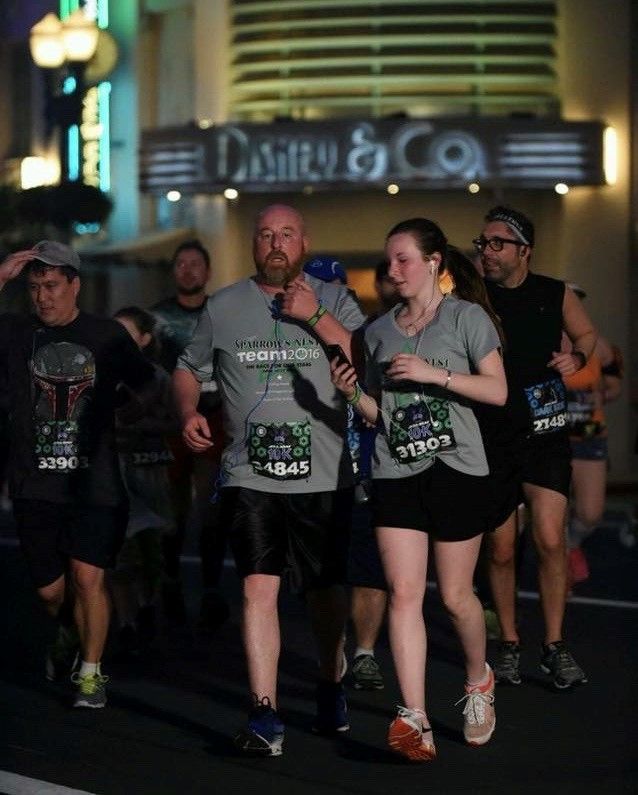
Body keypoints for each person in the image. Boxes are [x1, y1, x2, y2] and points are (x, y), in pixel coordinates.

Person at [173, 204, 366, 756]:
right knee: (259, 587)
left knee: (326, 595)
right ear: (254, 244)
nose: (275, 243)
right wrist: (189, 409)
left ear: (304, 242)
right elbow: (188, 366)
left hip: (325, 475)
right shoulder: (225, 305)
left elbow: (370, 360)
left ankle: (331, 682)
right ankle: (265, 713)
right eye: (265, 235)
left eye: (286, 234)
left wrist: (314, 317)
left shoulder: (334, 299)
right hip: (249, 472)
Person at [331, 218, 507, 761]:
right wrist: (354, 397)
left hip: (456, 469)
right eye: (390, 261)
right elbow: (385, 416)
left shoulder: (466, 317)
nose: (394, 270)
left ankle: (478, 681)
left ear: (434, 262)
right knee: (404, 594)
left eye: (404, 259)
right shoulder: (379, 331)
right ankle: (415, 717)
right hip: (395, 471)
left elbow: (498, 392)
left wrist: (437, 375)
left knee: (455, 598)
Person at [0, 242, 154, 708]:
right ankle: (66, 629)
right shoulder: (15, 334)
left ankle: (91, 673)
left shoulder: (105, 335)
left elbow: (148, 384)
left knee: (89, 579)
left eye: (51, 286)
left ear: (74, 285)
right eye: (33, 288)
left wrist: (128, 414)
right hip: (35, 483)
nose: (43, 297)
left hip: (95, 484)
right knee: (50, 591)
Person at [474, 205, 597, 689]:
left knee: (550, 539)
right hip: (493, 436)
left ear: (524, 250)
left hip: (546, 430)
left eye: (497, 243)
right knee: (502, 548)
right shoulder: (472, 298)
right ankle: (508, 642)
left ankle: (554, 645)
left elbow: (586, 332)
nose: (486, 251)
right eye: (482, 243)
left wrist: (577, 355)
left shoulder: (554, 292)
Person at [150, 240, 228, 632]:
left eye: (195, 264)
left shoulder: (223, 312)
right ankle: (170, 582)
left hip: (215, 419)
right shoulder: (158, 318)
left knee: (212, 511)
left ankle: (212, 588)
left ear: (208, 271)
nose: (188, 270)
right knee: (173, 513)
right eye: (181, 264)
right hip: (171, 424)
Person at [110, 307, 178, 656]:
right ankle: (126, 622)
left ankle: (149, 602)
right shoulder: (100, 373)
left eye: (126, 331)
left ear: (145, 338)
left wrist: (142, 425)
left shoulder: (158, 376)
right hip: (112, 469)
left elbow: (176, 421)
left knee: (151, 550)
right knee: (120, 551)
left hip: (149, 468)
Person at [562, 285, 623, 585]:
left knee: (590, 512)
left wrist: (603, 393)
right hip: (553, 437)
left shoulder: (598, 346)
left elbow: (614, 386)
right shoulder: (540, 339)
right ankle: (557, 565)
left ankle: (571, 543)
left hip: (588, 434)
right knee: (552, 512)